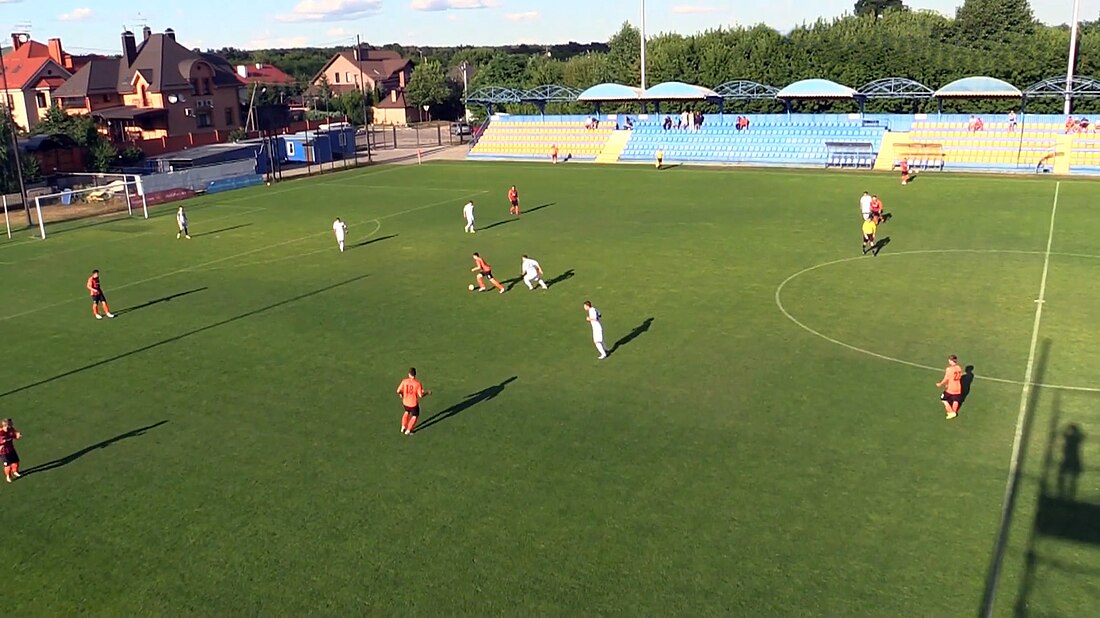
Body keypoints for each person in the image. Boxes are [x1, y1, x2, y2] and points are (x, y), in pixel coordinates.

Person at [397, 368, 431, 435]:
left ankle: (403, 427)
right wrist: (427, 393)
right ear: (415, 374)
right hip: (413, 404)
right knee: (415, 415)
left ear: (409, 374)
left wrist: (401, 394)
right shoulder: (417, 383)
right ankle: (408, 430)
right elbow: (420, 395)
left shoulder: (404, 381)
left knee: (406, 412)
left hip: (405, 402)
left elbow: (398, 391)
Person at [936, 355, 964, 419]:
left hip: (951, 388)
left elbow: (946, 378)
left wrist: (940, 384)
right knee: (955, 400)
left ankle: (951, 412)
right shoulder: (959, 368)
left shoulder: (949, 369)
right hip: (958, 387)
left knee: (944, 399)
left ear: (951, 361)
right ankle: (954, 412)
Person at [0, 418, 21, 483]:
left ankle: (15, 472)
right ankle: (8, 476)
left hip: (11, 449)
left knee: (16, 461)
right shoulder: (1, 433)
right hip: (3, 452)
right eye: (10, 424)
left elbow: (14, 434)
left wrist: (18, 435)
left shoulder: (11, 429)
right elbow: (2, 441)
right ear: (6, 425)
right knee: (7, 465)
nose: (12, 424)